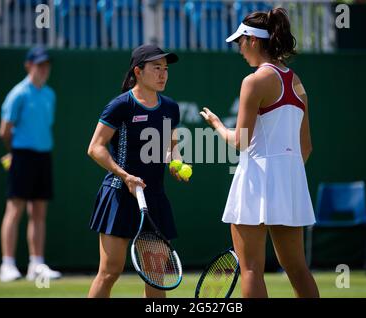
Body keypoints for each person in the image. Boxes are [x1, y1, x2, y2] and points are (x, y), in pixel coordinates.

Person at [200, 8, 319, 298]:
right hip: (291, 180)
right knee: (298, 268)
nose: (239, 50)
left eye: (240, 43)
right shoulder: (297, 82)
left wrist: (216, 124)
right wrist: (283, 175)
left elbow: (240, 141)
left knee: (251, 268)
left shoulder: (253, 81)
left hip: (257, 177)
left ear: (253, 40)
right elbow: (306, 147)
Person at [87, 44, 185, 298]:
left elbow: (170, 145)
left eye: (165, 69)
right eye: (156, 68)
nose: (163, 74)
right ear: (138, 71)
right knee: (110, 272)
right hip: (120, 194)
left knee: (155, 277)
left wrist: (175, 161)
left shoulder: (171, 108)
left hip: (153, 197)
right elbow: (95, 148)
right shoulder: (121, 105)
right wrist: (126, 177)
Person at [0, 46, 61, 282]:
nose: (44, 69)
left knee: (38, 212)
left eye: (47, 65)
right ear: (28, 66)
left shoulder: (49, 94)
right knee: (15, 210)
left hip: (43, 156)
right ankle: (8, 265)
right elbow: (4, 130)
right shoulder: (18, 94)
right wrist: (13, 152)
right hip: (21, 155)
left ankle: (36, 264)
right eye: (39, 65)